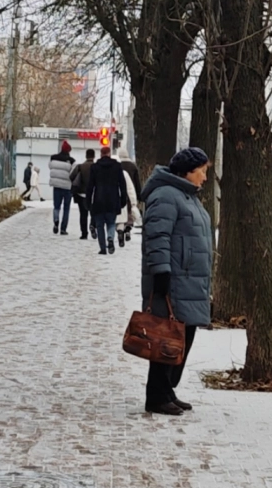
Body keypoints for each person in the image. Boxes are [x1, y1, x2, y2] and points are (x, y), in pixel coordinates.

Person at [141, 147, 213, 415]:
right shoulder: (166, 196)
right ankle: (156, 396)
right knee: (166, 340)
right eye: (202, 171)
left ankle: (167, 391)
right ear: (187, 171)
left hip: (189, 280)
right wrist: (161, 272)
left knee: (181, 338)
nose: (204, 177)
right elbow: (158, 236)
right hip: (172, 281)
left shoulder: (186, 196)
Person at [87, 146, 129, 255]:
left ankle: (102, 248)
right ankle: (110, 238)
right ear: (109, 153)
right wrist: (123, 199)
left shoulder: (95, 167)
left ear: (100, 154)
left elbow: (90, 186)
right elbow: (122, 185)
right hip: (113, 200)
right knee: (111, 223)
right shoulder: (117, 166)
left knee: (100, 225)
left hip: (98, 200)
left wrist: (88, 202)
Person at [48, 141, 75, 235]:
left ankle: (56, 221)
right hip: (67, 188)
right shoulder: (72, 160)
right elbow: (73, 174)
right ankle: (63, 229)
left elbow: (50, 166)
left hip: (57, 186)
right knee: (66, 208)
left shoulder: (53, 158)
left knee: (56, 207)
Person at [71, 149, 96, 240]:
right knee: (94, 213)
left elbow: (71, 177)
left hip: (81, 194)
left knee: (83, 214)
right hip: (93, 194)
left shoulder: (80, 166)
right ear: (94, 156)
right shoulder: (96, 166)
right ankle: (93, 226)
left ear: (86, 156)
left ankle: (84, 233)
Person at [116, 165, 140, 247]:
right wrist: (133, 201)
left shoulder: (106, 172)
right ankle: (123, 231)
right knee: (123, 217)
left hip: (110, 200)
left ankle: (116, 232)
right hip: (123, 199)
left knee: (115, 220)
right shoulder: (124, 173)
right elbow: (130, 188)